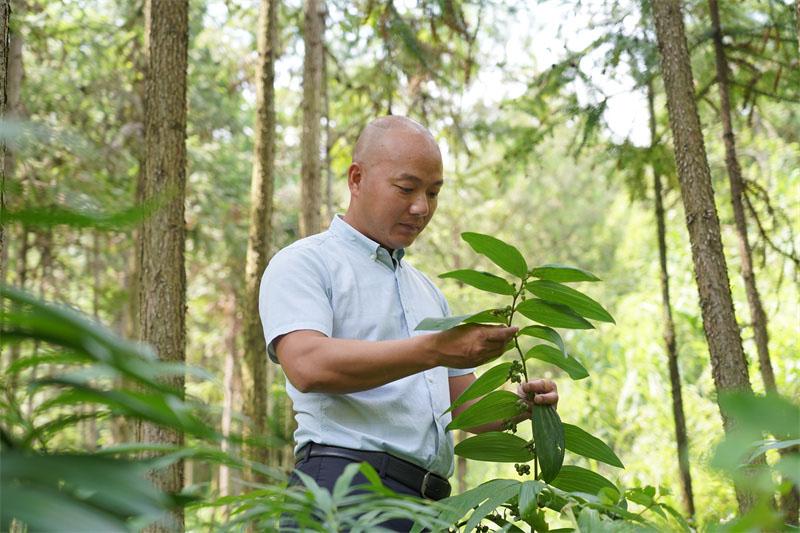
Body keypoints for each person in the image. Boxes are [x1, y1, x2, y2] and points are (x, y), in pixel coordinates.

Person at [259, 115, 558, 530]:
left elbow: (463, 408)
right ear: (357, 178)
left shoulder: (428, 293)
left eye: (433, 193)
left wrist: (519, 405)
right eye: (406, 188)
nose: (422, 207)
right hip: (345, 491)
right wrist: (435, 349)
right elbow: (308, 365)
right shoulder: (305, 263)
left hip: (429, 507)